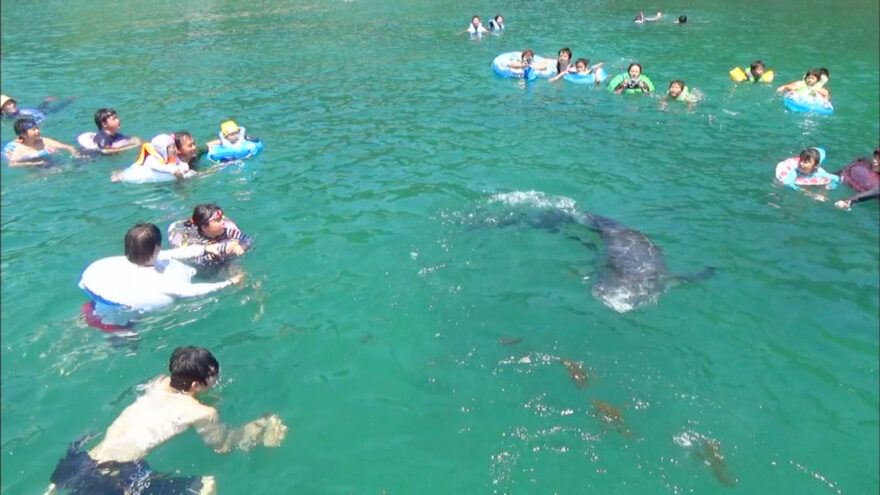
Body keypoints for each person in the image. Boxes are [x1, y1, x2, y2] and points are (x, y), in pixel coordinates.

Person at [44, 346, 288, 495]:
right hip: (116, 477)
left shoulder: (159, 383)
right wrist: (260, 426)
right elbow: (222, 446)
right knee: (207, 485)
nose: (216, 379)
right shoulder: (201, 412)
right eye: (212, 377)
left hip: (80, 463)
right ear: (195, 385)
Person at [78, 223, 245, 326]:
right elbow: (191, 290)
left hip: (98, 298)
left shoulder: (126, 263)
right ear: (157, 248)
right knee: (128, 337)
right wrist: (229, 283)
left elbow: (176, 253)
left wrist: (206, 248)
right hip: (121, 318)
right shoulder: (156, 280)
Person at [167, 204, 253, 265]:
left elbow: (248, 239)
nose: (223, 222)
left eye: (222, 219)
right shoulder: (194, 240)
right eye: (218, 221)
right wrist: (223, 250)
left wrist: (241, 246)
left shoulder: (226, 230)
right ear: (204, 227)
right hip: (202, 262)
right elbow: (196, 260)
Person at [111, 133, 194, 182]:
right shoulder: (152, 159)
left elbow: (179, 163)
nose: (176, 150)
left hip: (163, 178)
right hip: (136, 172)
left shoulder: (172, 157)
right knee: (118, 177)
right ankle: (119, 175)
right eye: (172, 147)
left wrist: (184, 165)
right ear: (163, 150)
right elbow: (156, 167)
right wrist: (173, 170)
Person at [2, 118, 79, 166]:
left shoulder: (44, 141)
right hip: (35, 168)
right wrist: (32, 164)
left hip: (50, 162)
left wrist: (75, 155)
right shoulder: (20, 149)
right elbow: (11, 164)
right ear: (23, 134)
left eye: (37, 128)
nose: (37, 131)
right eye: (33, 129)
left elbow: (68, 147)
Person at [775, 147, 840, 201]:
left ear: (816, 166)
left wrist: (827, 188)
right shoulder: (794, 172)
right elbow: (787, 183)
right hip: (799, 186)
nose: (801, 163)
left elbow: (836, 178)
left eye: (806, 162)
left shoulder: (820, 172)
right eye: (801, 160)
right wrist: (810, 194)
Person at [1, 94, 75, 122]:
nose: (12, 105)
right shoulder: (8, 117)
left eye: (12, 103)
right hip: (38, 110)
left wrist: (43, 121)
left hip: (41, 112)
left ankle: (69, 100)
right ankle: (45, 102)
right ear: (2, 110)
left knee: (57, 108)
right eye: (8, 104)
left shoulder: (22, 113)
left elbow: (39, 117)